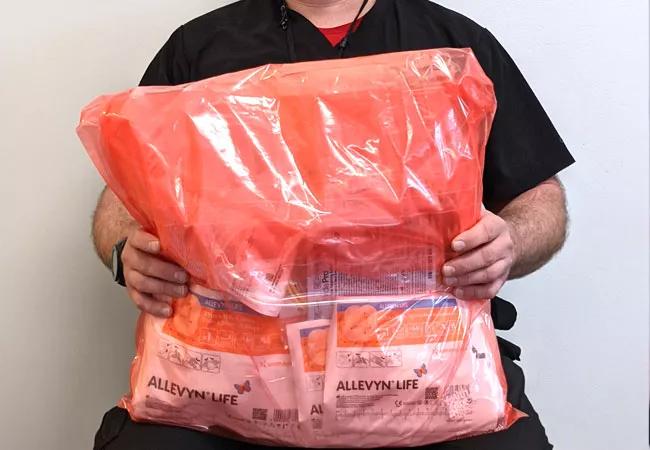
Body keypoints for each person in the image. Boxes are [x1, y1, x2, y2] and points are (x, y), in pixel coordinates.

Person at [91, 1, 575, 449]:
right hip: (231, 377)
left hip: (421, 368)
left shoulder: (454, 46)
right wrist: (124, 249)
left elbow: (540, 197)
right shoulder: (199, 48)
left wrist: (509, 242)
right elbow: (121, 201)